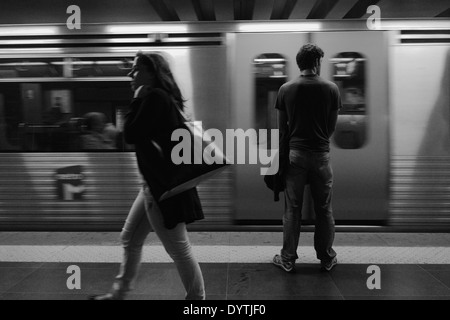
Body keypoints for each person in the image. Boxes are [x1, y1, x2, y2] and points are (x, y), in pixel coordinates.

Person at [89, 52, 205, 300]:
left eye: (135, 69)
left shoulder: (154, 97)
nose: (130, 74)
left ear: (151, 72)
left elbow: (130, 134)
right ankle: (119, 293)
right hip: (153, 185)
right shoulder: (163, 97)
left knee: (179, 248)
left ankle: (198, 301)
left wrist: (136, 99)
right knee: (130, 238)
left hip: (162, 187)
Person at [272, 44, 342, 273]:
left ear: (299, 63)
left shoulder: (286, 89)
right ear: (318, 63)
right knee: (324, 208)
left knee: (292, 208)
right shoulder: (331, 89)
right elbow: (331, 127)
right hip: (321, 155)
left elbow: (282, 129)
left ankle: (288, 258)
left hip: (295, 156)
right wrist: (319, 141)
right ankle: (326, 257)